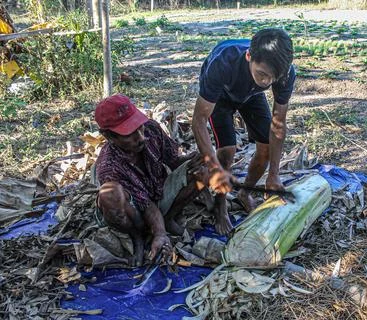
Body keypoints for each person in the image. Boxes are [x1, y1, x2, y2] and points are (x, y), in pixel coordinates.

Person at [192, 28, 296, 235]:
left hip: (250, 94)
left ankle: (244, 192)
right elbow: (198, 120)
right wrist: (213, 166)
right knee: (227, 151)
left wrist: (274, 175)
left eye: (273, 78)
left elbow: (278, 124)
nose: (267, 82)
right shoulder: (223, 62)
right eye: (263, 74)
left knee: (266, 147)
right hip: (221, 95)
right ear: (249, 56)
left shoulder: (284, 74)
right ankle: (221, 208)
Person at [94, 94, 206, 266]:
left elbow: (173, 161)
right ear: (109, 136)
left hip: (158, 189)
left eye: (139, 127)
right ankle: (137, 236)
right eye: (129, 134)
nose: (141, 137)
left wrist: (193, 160)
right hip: (134, 208)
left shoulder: (151, 129)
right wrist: (159, 233)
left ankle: (169, 217)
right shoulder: (110, 167)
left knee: (204, 170)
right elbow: (145, 204)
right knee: (110, 195)